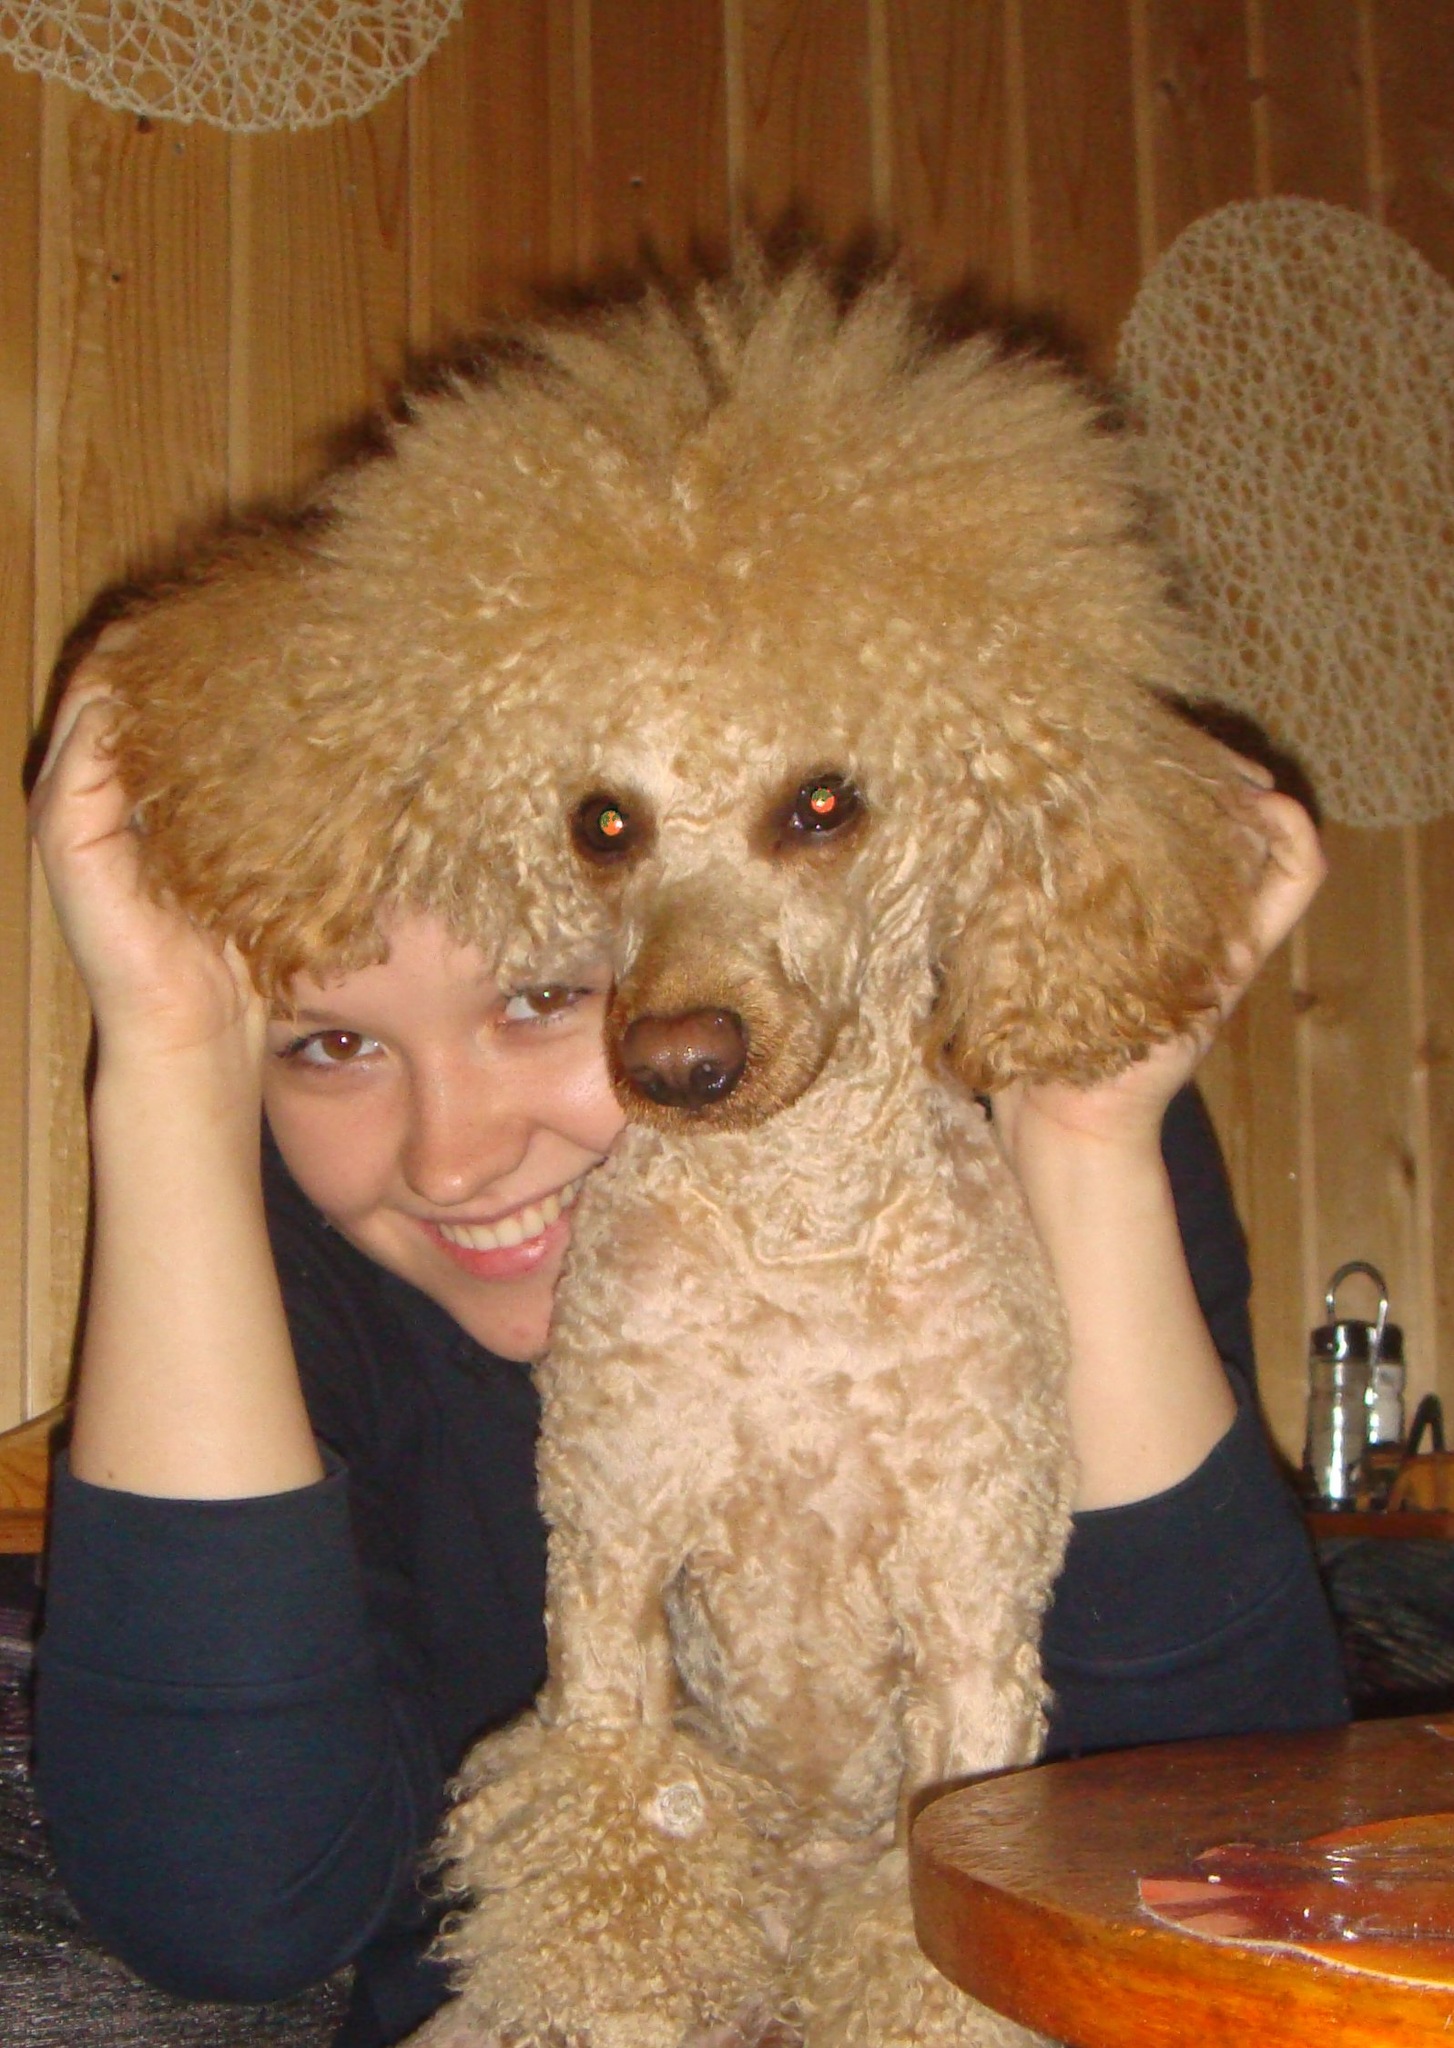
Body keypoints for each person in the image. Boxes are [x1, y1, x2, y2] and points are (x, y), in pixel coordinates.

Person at [28, 659, 1348, 2048]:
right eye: (333, 1043)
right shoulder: (287, 1272)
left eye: (543, 997)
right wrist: (166, 1066)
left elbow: (1229, 1861)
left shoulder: (991, 1163)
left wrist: (1084, 1150)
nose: (451, 1158)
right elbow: (230, 1915)